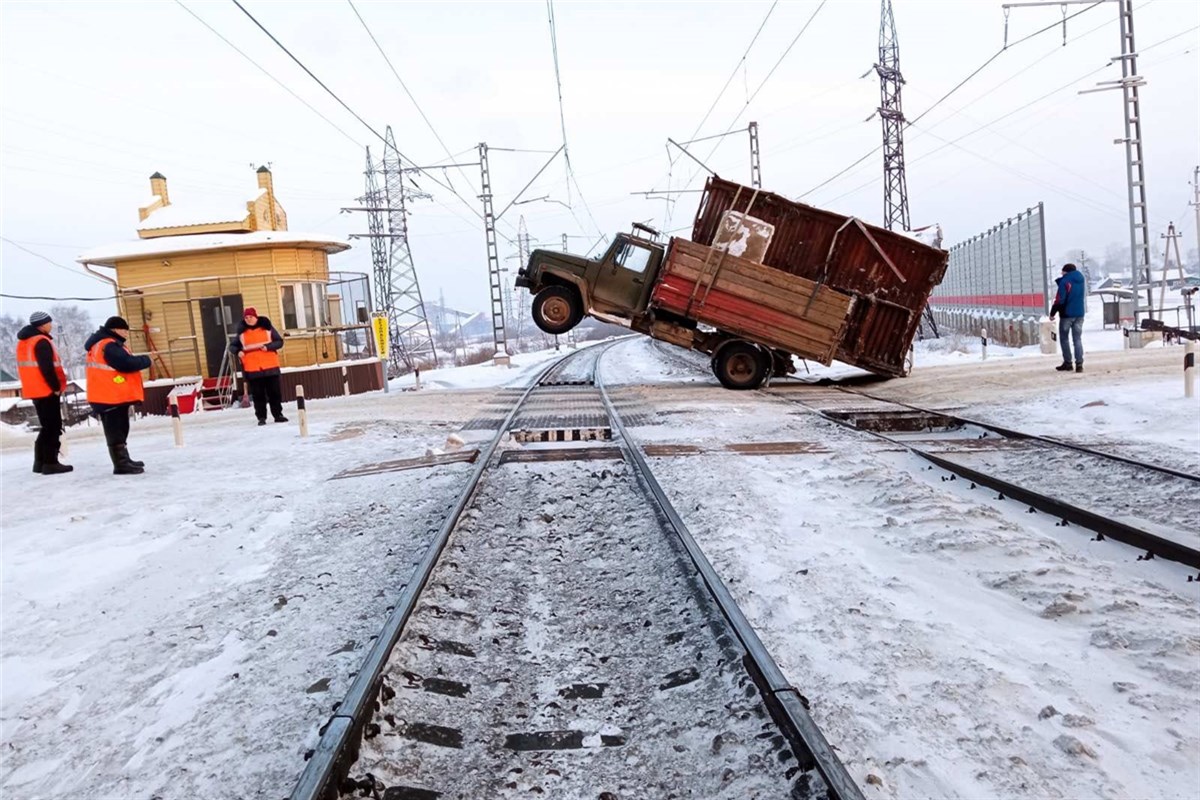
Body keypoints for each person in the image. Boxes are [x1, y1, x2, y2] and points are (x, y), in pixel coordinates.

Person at [85, 316, 151, 475]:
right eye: (124, 329)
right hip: (109, 396)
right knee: (115, 429)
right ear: (115, 330)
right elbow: (125, 364)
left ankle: (124, 459)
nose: (126, 333)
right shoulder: (109, 345)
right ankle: (120, 464)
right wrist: (146, 360)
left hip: (110, 394)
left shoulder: (102, 344)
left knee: (120, 428)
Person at [15, 310, 72, 475]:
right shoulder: (41, 341)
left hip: (34, 390)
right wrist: (55, 387)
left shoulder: (25, 342)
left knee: (46, 427)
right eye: (49, 322)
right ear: (42, 325)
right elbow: (47, 368)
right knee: (53, 427)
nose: (51, 325)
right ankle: (50, 462)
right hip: (46, 390)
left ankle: (39, 462)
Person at [229, 307, 287, 426]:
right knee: (258, 395)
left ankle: (278, 415)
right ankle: (261, 417)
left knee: (274, 393)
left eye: (250, 317)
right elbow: (232, 346)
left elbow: (279, 342)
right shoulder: (242, 333)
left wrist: (268, 347)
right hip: (252, 369)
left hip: (271, 367)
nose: (248, 319)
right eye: (246, 318)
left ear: (256, 317)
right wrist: (238, 351)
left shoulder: (267, 328)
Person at [1050, 263, 1086, 373]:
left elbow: (1060, 299)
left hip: (1067, 315)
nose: (1061, 273)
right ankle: (1079, 364)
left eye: (1062, 271)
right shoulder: (1081, 279)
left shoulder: (1065, 281)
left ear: (1066, 271)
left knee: (1064, 339)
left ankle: (1068, 363)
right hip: (1079, 314)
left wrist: (1052, 313)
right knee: (1077, 339)